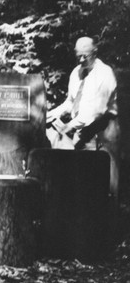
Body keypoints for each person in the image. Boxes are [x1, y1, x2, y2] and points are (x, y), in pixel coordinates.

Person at [46, 36, 121, 203]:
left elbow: (96, 111)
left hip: (103, 130)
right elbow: (70, 102)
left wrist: (68, 126)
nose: (81, 60)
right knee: (84, 184)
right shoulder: (76, 72)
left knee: (106, 186)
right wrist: (50, 114)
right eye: (78, 55)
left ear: (95, 52)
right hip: (82, 130)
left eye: (84, 56)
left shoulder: (104, 73)